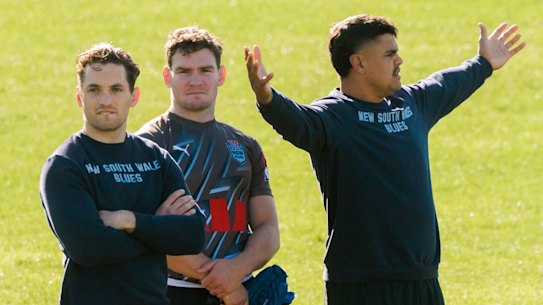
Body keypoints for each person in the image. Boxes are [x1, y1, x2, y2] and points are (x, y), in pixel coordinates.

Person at [245, 14, 525, 305]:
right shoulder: (332, 118)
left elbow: (449, 83)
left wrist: (483, 63)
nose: (399, 61)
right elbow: (296, 120)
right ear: (359, 63)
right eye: (390, 54)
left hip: (422, 279)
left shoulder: (413, 103)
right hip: (360, 286)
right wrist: (266, 97)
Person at [39, 43, 206, 305]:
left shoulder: (156, 159)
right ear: (80, 97)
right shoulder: (65, 164)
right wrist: (157, 228)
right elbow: (88, 248)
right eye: (94, 90)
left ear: (134, 96)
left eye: (116, 89)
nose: (105, 100)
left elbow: (193, 235)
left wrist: (131, 221)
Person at [136, 26, 280, 305]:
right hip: (169, 291)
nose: (195, 80)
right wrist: (223, 283)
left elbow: (268, 228)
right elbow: (142, 231)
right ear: (168, 77)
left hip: (240, 290)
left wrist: (237, 270)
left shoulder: (245, 145)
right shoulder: (147, 144)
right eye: (184, 71)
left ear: (221, 75)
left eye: (205, 70)